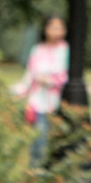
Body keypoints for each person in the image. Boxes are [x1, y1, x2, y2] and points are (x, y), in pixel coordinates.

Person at [15, 14, 68, 168]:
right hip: (38, 102)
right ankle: (35, 174)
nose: (57, 31)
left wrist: (49, 80)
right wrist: (19, 92)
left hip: (56, 102)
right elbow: (30, 76)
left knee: (54, 144)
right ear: (46, 29)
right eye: (53, 27)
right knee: (37, 142)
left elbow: (64, 75)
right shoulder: (38, 49)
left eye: (60, 27)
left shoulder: (64, 49)